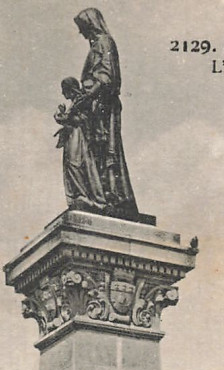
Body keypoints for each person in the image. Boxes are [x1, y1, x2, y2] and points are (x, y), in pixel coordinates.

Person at [72, 8, 139, 219]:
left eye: (83, 29)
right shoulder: (98, 45)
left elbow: (107, 76)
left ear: (91, 25)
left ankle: (114, 196)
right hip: (95, 108)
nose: (81, 34)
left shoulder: (104, 42)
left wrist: (89, 94)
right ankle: (102, 195)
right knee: (96, 152)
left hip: (103, 107)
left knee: (105, 151)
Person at [55, 76, 107, 213]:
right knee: (71, 164)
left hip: (80, 136)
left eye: (63, 89)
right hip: (72, 135)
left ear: (70, 89)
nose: (62, 93)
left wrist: (61, 116)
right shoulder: (75, 102)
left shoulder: (82, 100)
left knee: (75, 163)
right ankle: (79, 194)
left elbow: (84, 118)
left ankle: (84, 195)